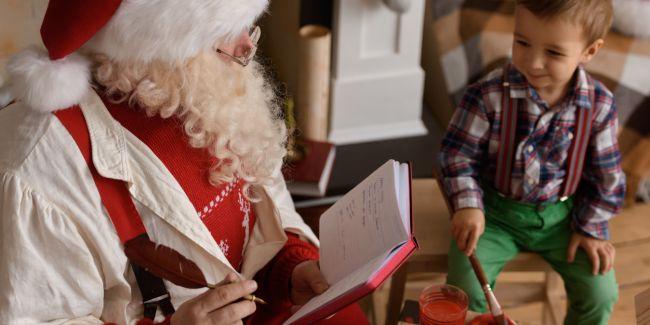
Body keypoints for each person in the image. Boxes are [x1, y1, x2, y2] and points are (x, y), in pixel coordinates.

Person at [0, 1, 367, 324]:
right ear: (158, 45)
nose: (247, 46)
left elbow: (266, 202)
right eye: (222, 34)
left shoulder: (212, 87)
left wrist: (289, 265)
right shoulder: (37, 172)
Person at [439, 1, 625, 324]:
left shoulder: (600, 106)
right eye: (522, 42)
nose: (533, 62)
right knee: (465, 291)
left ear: (589, 51)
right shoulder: (487, 95)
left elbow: (606, 177)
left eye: (553, 52)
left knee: (600, 292)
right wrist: (468, 205)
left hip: (563, 219)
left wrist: (592, 226)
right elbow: (457, 156)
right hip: (494, 214)